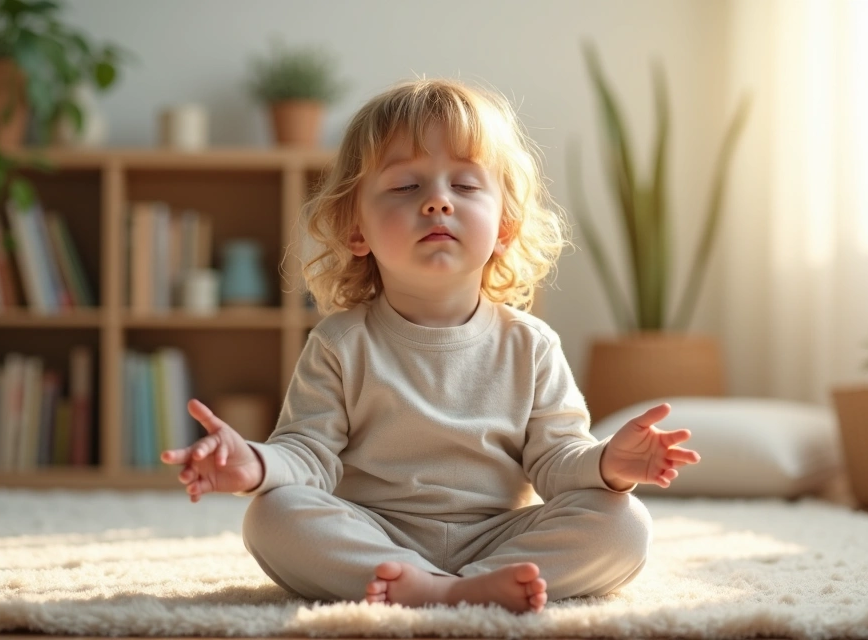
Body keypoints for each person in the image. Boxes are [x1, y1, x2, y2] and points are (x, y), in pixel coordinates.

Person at [160, 78, 700, 614]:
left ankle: (460, 584)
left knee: (623, 522)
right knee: (272, 515)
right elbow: (308, 456)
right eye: (405, 187)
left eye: (465, 186)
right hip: (375, 532)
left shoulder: (530, 344)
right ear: (356, 229)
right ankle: (432, 584)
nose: (438, 202)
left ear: (505, 226)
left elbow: (557, 461)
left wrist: (608, 462)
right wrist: (253, 463)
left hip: (499, 536)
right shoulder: (339, 342)